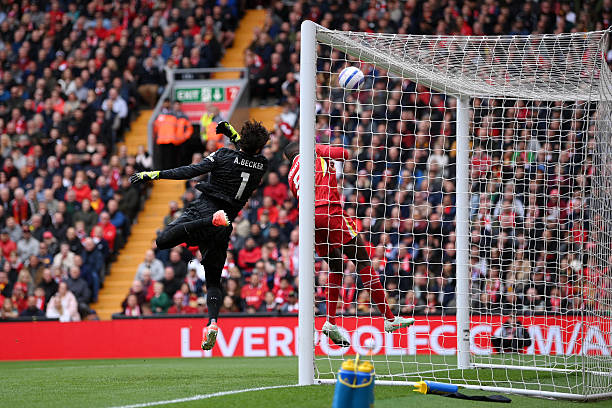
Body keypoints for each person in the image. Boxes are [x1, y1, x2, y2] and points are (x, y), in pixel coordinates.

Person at [131, 120, 270, 350]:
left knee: (162, 241)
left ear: (241, 141)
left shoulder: (223, 155)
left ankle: (207, 221)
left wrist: (155, 174)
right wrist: (234, 134)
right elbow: (248, 155)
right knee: (213, 281)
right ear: (260, 147)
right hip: (225, 224)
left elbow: (190, 171)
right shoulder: (262, 164)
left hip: (206, 212)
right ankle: (213, 322)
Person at [284, 142, 414, 347]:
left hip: (308, 220)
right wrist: (317, 147)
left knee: (337, 265)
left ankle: (331, 322)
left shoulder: (291, 175)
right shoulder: (313, 154)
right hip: (328, 211)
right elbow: (344, 154)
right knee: (362, 260)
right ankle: (389, 319)